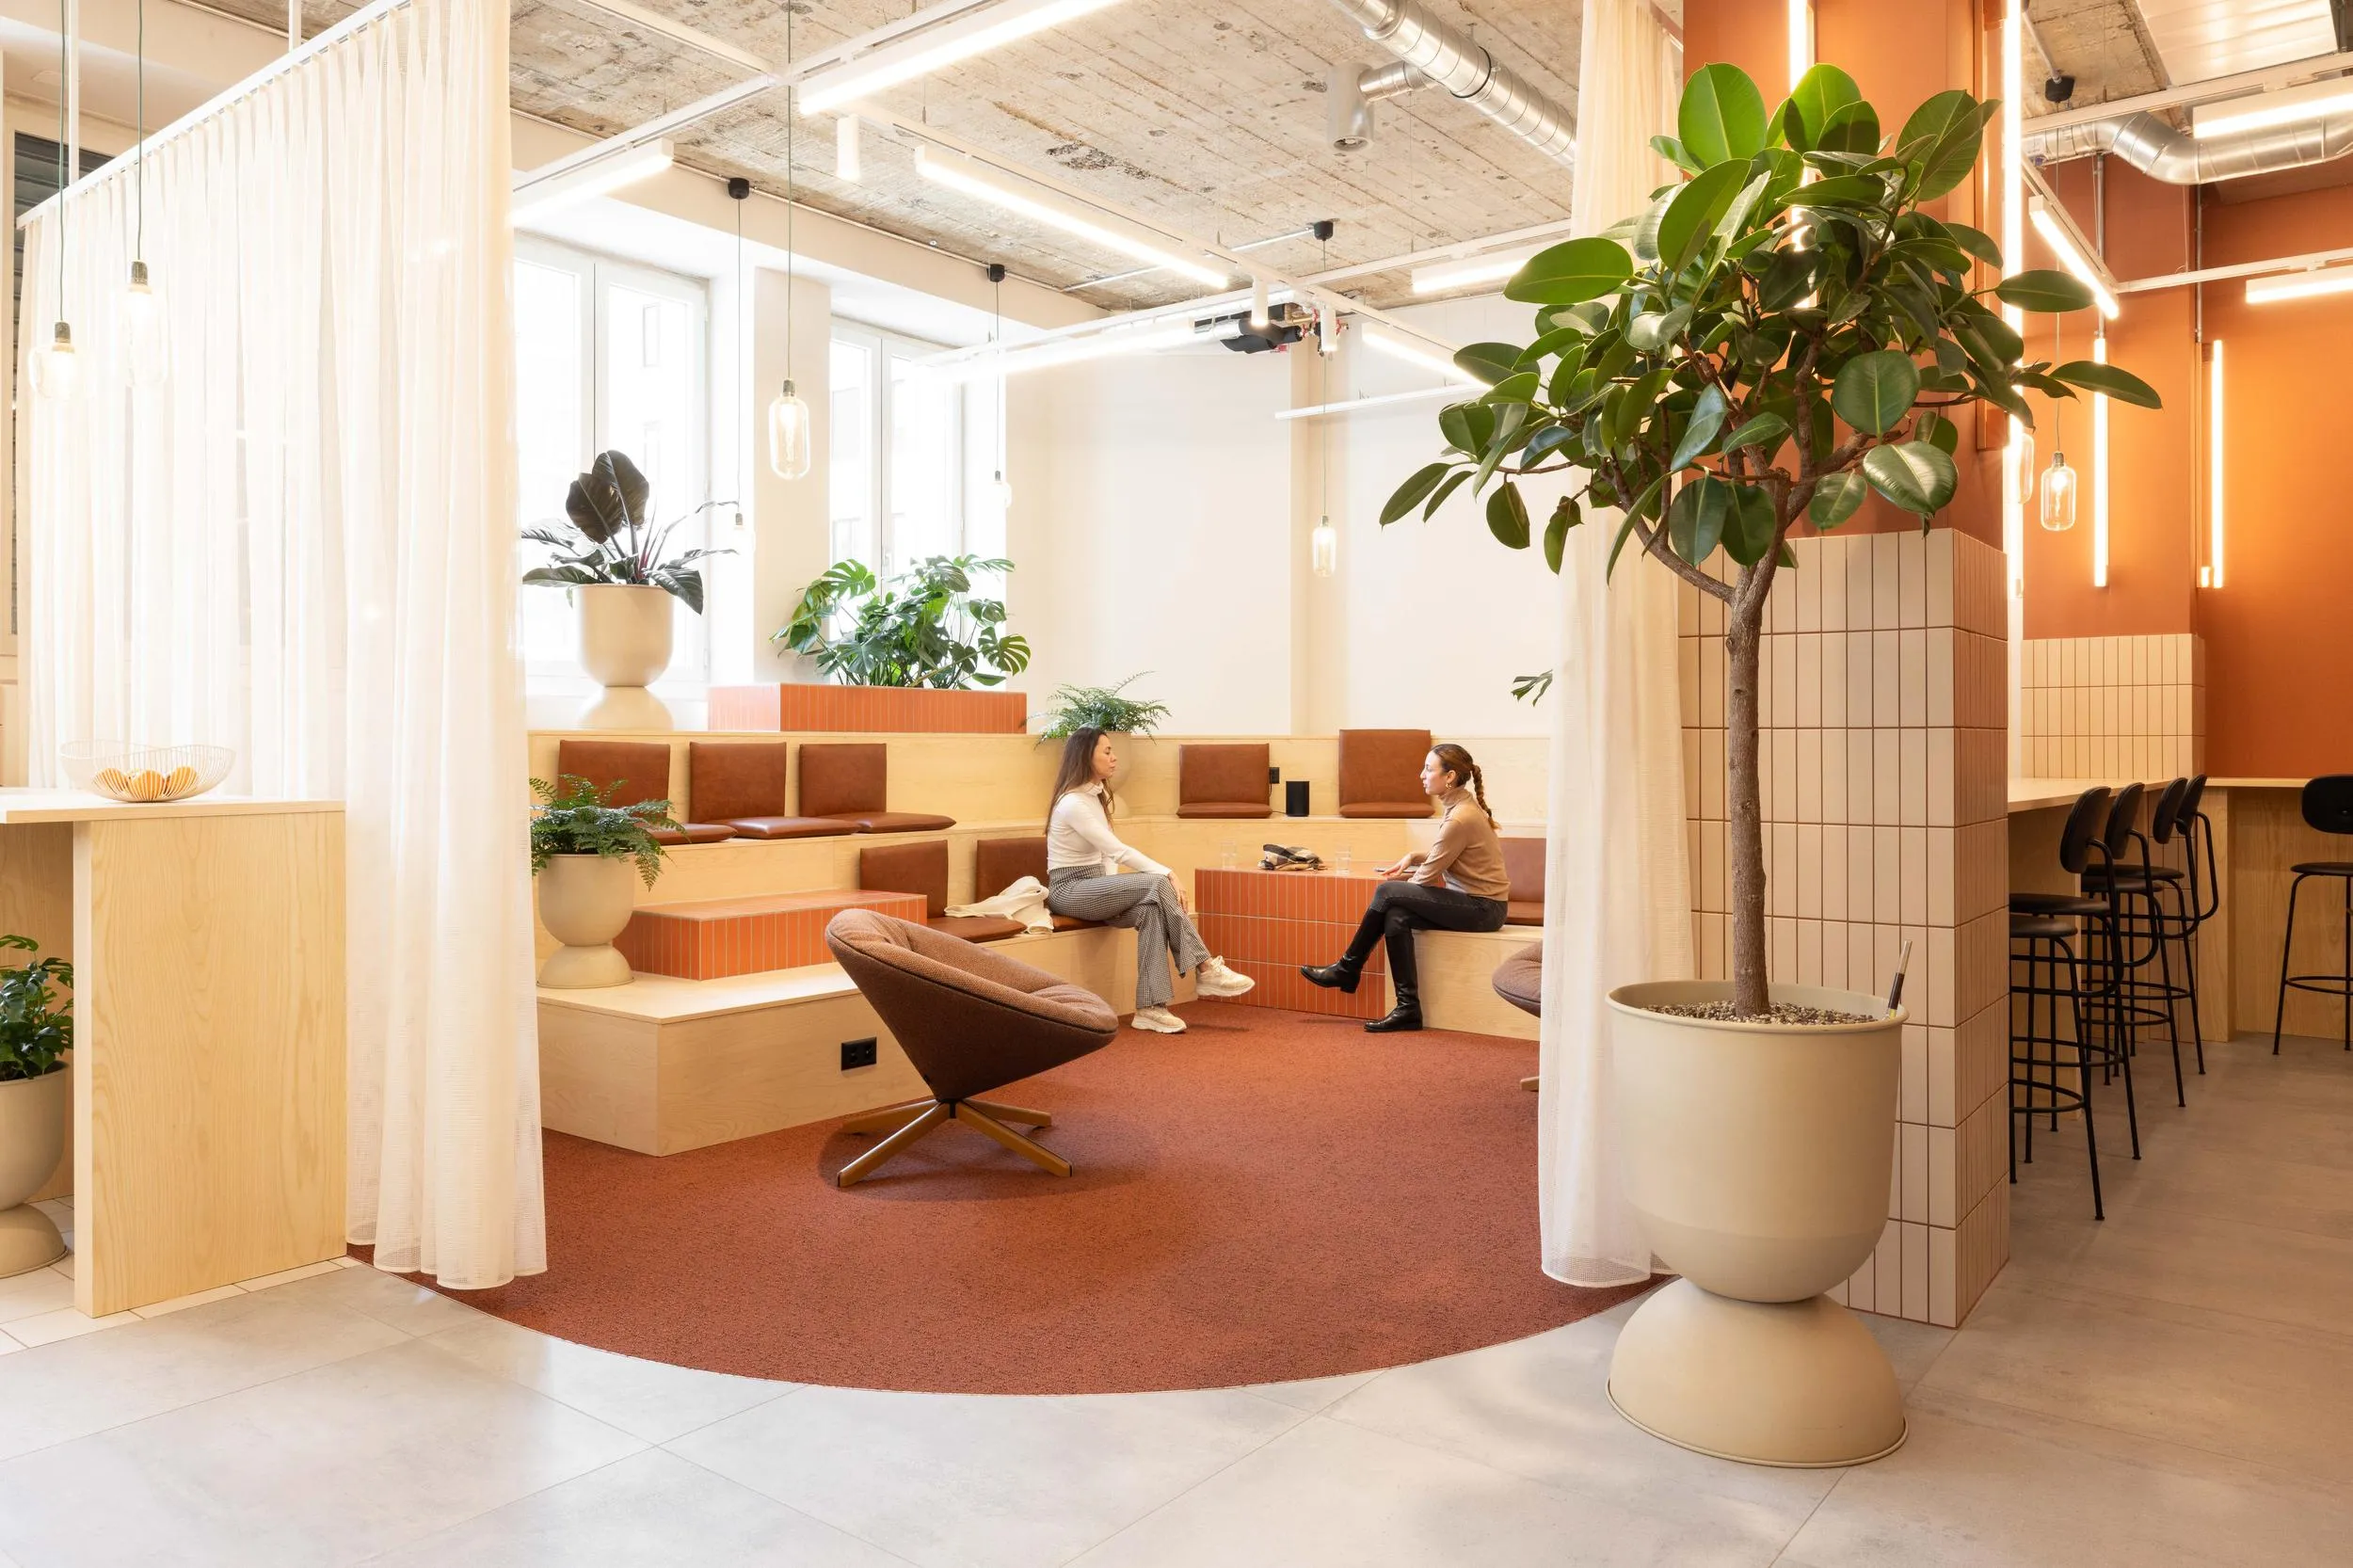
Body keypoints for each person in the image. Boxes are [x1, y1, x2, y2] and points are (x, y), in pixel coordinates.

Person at [1046, 728, 1256, 1032]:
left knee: (1152, 909)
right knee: (1157, 883)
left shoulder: (1095, 797)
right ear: (1085, 756)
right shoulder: (1072, 804)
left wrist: (1116, 895)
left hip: (1096, 886)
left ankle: (1150, 1008)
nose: (1114, 758)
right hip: (1069, 890)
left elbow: (1106, 858)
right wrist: (1168, 872)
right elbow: (1117, 851)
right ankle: (1205, 966)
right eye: (1107, 751)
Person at [1301, 742, 1509, 1032]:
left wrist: (1401, 892)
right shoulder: (1461, 807)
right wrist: (1413, 857)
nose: (1421, 775)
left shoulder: (1460, 817)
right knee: (1396, 917)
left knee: (1388, 893)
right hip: (1477, 904)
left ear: (1449, 777)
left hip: (1484, 909)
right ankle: (1408, 1008)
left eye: (1428, 769)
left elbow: (1425, 878)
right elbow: (1448, 854)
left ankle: (1348, 967)